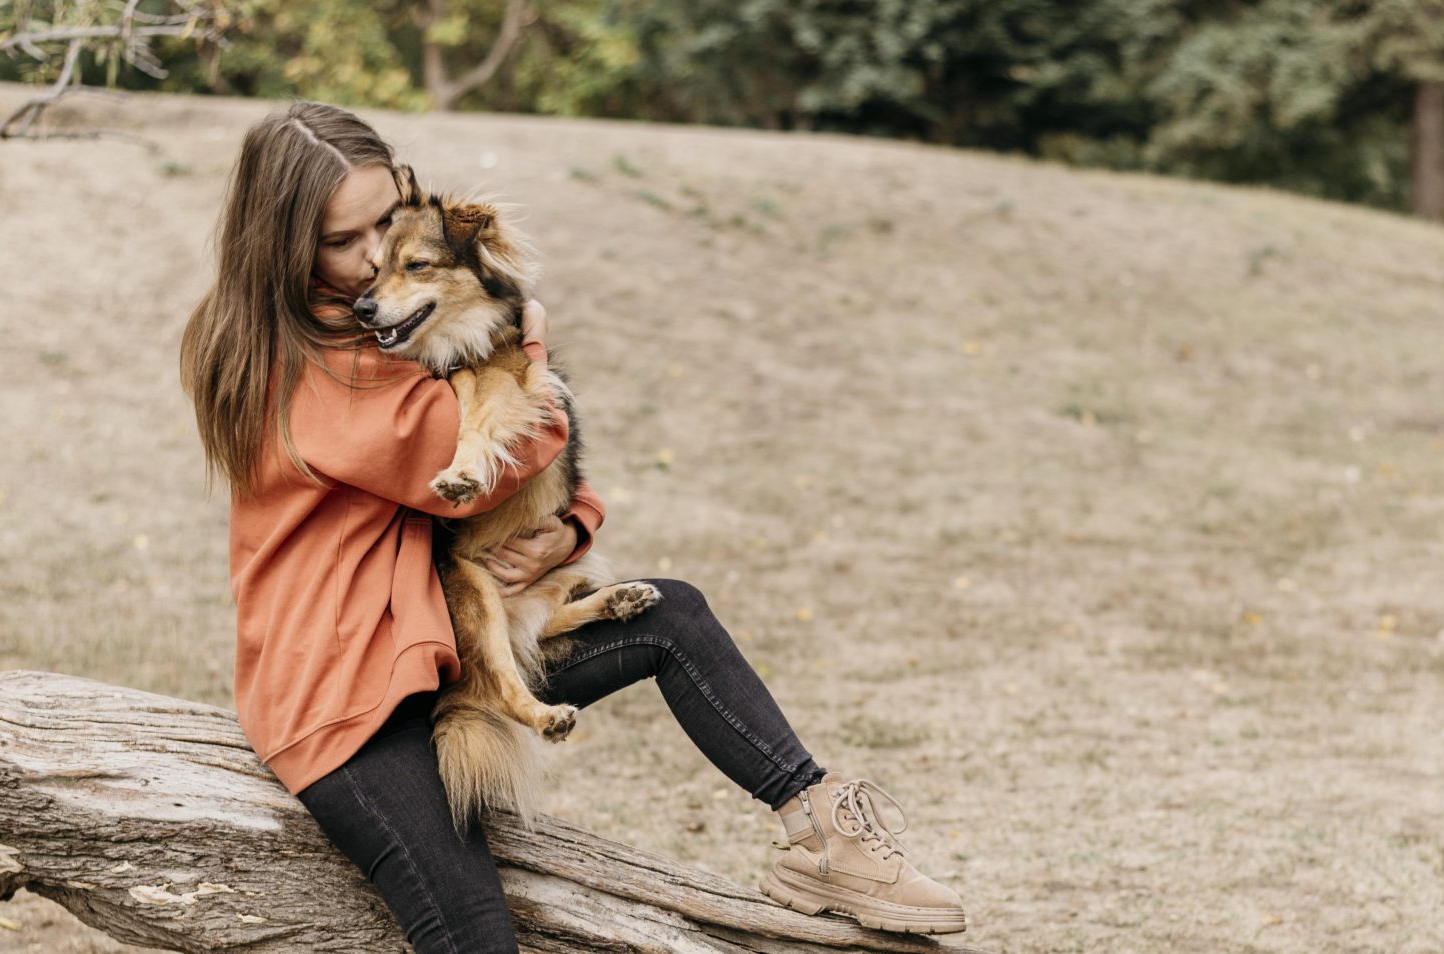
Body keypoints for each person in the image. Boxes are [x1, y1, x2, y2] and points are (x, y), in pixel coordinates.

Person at [175, 100, 969, 952]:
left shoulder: (389, 320)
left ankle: (823, 832)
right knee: (475, 934)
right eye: (344, 241)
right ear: (285, 248)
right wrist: (529, 345)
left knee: (670, 613)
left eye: (388, 219)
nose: (377, 257)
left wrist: (571, 531)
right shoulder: (304, 363)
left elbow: (526, 478)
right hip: (349, 702)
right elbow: (474, 463)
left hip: (440, 644)